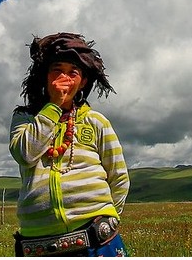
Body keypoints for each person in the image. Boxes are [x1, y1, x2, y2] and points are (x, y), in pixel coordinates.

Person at [9, 32, 130, 257]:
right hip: (37, 241)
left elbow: (119, 177)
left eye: (73, 72)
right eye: (57, 70)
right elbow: (25, 154)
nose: (64, 78)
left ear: (82, 81)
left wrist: (109, 219)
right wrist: (54, 105)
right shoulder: (24, 119)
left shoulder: (96, 121)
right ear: (44, 76)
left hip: (97, 239)